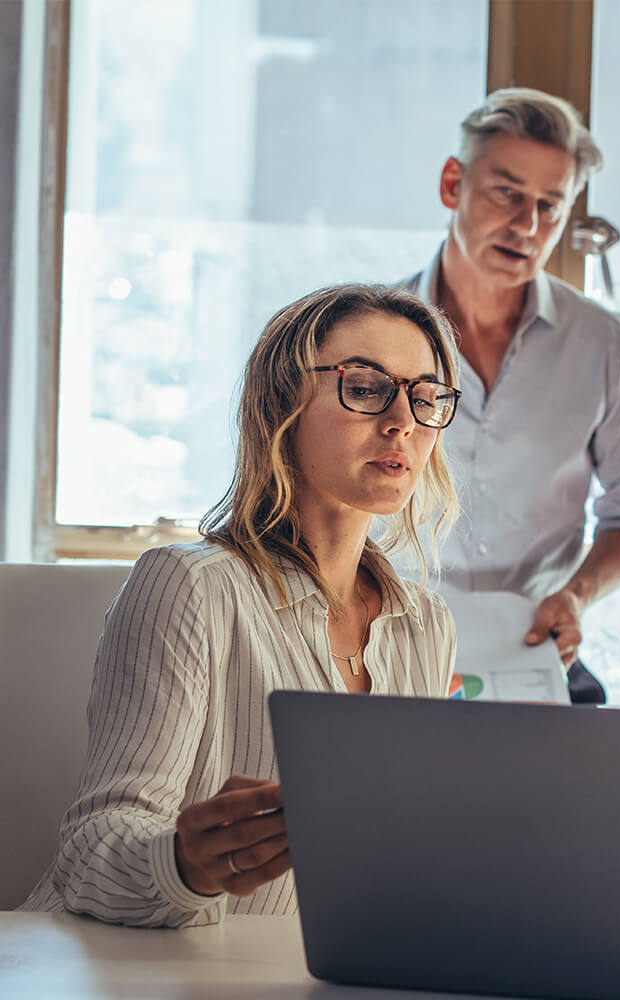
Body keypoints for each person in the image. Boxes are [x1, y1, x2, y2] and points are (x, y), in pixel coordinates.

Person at [21, 284, 464, 927]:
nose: (402, 420)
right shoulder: (188, 584)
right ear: (282, 405)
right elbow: (90, 856)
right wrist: (184, 865)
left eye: (425, 397)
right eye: (366, 387)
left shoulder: (426, 625)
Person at [397, 88, 620, 703]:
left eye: (550, 205)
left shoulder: (605, 343)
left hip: (534, 659)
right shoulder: (370, 337)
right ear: (452, 184)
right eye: (507, 192)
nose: (527, 225)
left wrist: (576, 594)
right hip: (388, 655)